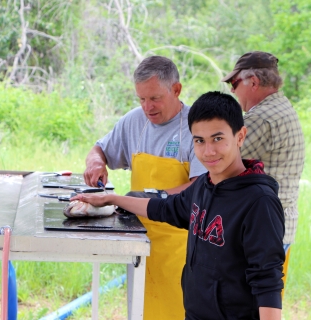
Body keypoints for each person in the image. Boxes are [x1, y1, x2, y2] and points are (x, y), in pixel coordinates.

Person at [74, 91, 285, 320]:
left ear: (240, 136)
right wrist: (112, 199)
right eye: (199, 141)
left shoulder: (259, 202)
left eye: (218, 139)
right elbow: (164, 208)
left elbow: (267, 280)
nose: (208, 151)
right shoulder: (203, 186)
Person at [83, 55, 207, 319]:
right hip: (138, 239)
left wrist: (148, 198)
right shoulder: (133, 121)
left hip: (181, 244)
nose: (147, 107)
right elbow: (100, 149)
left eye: (155, 98)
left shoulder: (198, 126)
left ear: (176, 90)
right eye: (141, 99)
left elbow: (202, 186)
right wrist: (95, 163)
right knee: (141, 309)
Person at [221, 51, 305, 294]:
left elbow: (222, 162)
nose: (233, 91)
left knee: (248, 305)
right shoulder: (282, 106)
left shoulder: (261, 118)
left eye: (234, 84)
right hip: (280, 224)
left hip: (264, 229)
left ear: (253, 82)